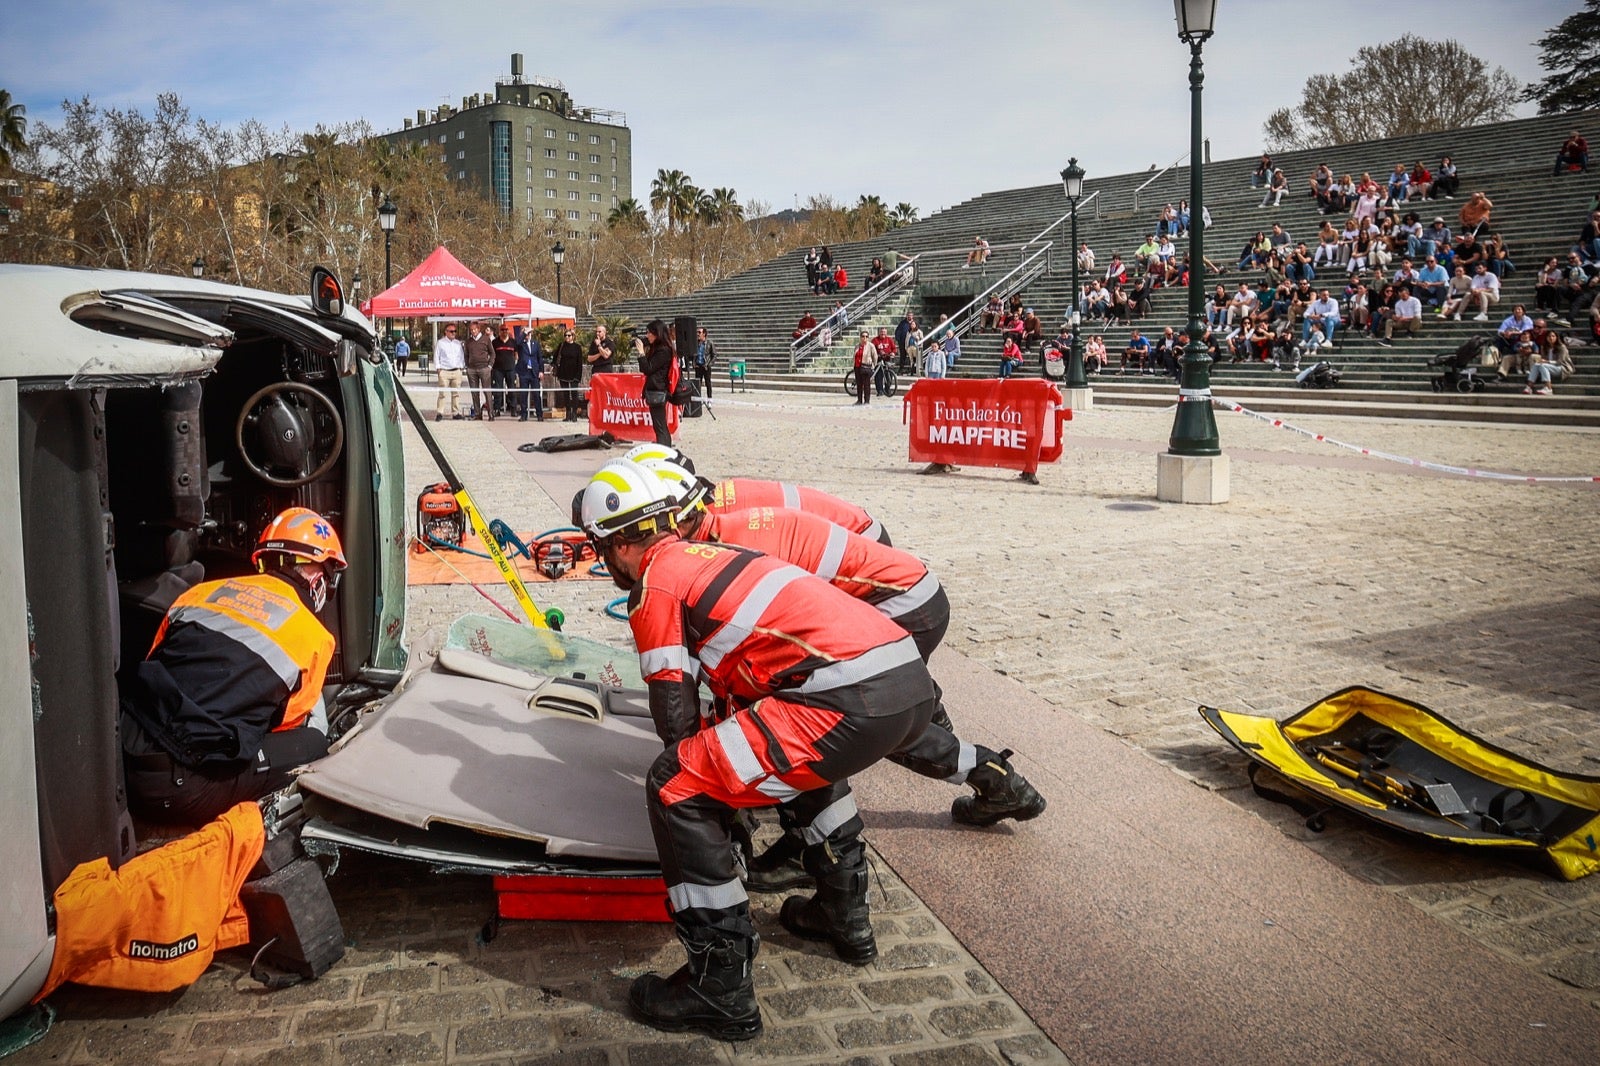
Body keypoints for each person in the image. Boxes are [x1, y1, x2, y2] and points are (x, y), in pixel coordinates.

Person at [631, 465, 1043, 881]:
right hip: (900, 585)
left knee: (849, 717)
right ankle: (993, 778)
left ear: (680, 517)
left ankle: (820, 848)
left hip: (898, 603)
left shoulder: (726, 545)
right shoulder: (718, 522)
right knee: (860, 715)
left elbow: (777, 649)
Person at [119, 507, 343, 825]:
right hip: (181, 788)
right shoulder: (315, 638)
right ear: (317, 576)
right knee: (314, 742)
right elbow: (285, 725)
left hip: (126, 756)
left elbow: (154, 661)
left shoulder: (199, 593)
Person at [638, 319, 674, 445]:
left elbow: (648, 369)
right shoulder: (657, 348)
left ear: (657, 333)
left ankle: (665, 450)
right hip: (654, 388)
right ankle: (664, 448)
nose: (647, 336)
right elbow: (645, 368)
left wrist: (641, 353)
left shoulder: (663, 350)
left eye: (649, 333)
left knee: (660, 426)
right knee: (659, 425)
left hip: (658, 389)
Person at [432, 323, 466, 422]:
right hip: (444, 371)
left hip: (456, 371)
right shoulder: (440, 343)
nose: (453, 333)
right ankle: (440, 412)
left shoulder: (457, 343)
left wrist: (461, 368)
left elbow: (461, 356)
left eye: (455, 331)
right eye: (451, 331)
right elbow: (436, 356)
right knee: (442, 393)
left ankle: (455, 412)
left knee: (456, 393)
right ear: (446, 332)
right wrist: (438, 369)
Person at [461, 321, 495, 420]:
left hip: (484, 368)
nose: (473, 331)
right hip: (472, 369)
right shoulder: (468, 341)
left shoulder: (486, 339)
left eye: (474, 329)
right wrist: (467, 366)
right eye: (471, 330)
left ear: (478, 329)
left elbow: (492, 353)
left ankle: (491, 414)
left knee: (487, 391)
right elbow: (466, 355)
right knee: (475, 392)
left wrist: (490, 365)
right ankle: (477, 414)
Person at [552, 326, 586, 422]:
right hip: (563, 373)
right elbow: (555, 357)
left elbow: (580, 363)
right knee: (566, 394)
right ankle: (568, 414)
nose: (567, 337)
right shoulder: (561, 345)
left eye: (569, 335)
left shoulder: (577, 347)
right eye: (565, 335)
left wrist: (578, 376)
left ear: (573, 336)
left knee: (574, 394)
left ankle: (574, 413)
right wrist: (555, 367)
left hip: (574, 374)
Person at [514, 326, 544, 421]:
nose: (528, 335)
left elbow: (540, 358)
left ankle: (539, 414)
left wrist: (541, 371)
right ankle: (523, 414)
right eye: (526, 334)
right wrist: (523, 333)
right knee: (523, 394)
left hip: (534, 372)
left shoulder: (536, 344)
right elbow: (517, 343)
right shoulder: (521, 344)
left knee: (536, 394)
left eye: (529, 333)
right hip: (524, 371)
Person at [490, 324, 519, 418]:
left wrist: (514, 363)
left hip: (510, 369)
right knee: (497, 390)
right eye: (502, 330)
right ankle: (497, 409)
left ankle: (513, 409)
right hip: (498, 369)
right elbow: (492, 354)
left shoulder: (513, 342)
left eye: (506, 330)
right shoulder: (495, 342)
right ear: (499, 331)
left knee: (512, 389)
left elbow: (516, 354)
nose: (504, 331)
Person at [691, 325, 716, 400]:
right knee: (698, 384)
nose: (698, 334)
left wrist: (709, 364)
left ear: (704, 334)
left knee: (708, 383)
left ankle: (709, 399)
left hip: (706, 366)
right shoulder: (696, 343)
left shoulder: (709, 343)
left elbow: (714, 355)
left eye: (699, 332)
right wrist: (694, 363)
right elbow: (693, 355)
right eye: (697, 332)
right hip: (698, 366)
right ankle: (698, 399)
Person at [871, 327, 897, 396]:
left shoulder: (889, 340)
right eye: (882, 332)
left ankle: (887, 389)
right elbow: (871, 349)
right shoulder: (875, 340)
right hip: (878, 360)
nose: (883, 333)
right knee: (878, 376)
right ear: (879, 332)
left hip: (887, 359)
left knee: (889, 376)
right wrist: (877, 354)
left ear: (886, 333)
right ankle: (880, 391)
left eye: (884, 332)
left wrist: (893, 353)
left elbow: (894, 348)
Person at [852, 329, 873, 405]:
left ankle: (867, 400)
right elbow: (855, 355)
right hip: (857, 367)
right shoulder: (857, 346)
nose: (864, 338)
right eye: (863, 336)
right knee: (859, 384)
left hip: (866, 367)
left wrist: (872, 365)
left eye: (866, 336)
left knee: (866, 385)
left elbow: (875, 356)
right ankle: (859, 400)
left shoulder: (870, 346)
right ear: (860, 337)